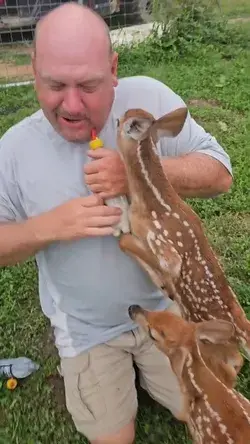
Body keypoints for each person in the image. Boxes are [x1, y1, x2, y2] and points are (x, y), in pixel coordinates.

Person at [0, 3, 233, 444]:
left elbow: (219, 173)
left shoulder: (146, 102)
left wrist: (139, 174)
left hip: (161, 308)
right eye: (54, 85)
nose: (71, 105)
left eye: (89, 85)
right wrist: (46, 227)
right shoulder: (14, 151)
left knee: (206, 410)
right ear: (32, 70)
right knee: (115, 438)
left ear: (113, 68)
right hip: (89, 331)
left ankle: (153, 365)